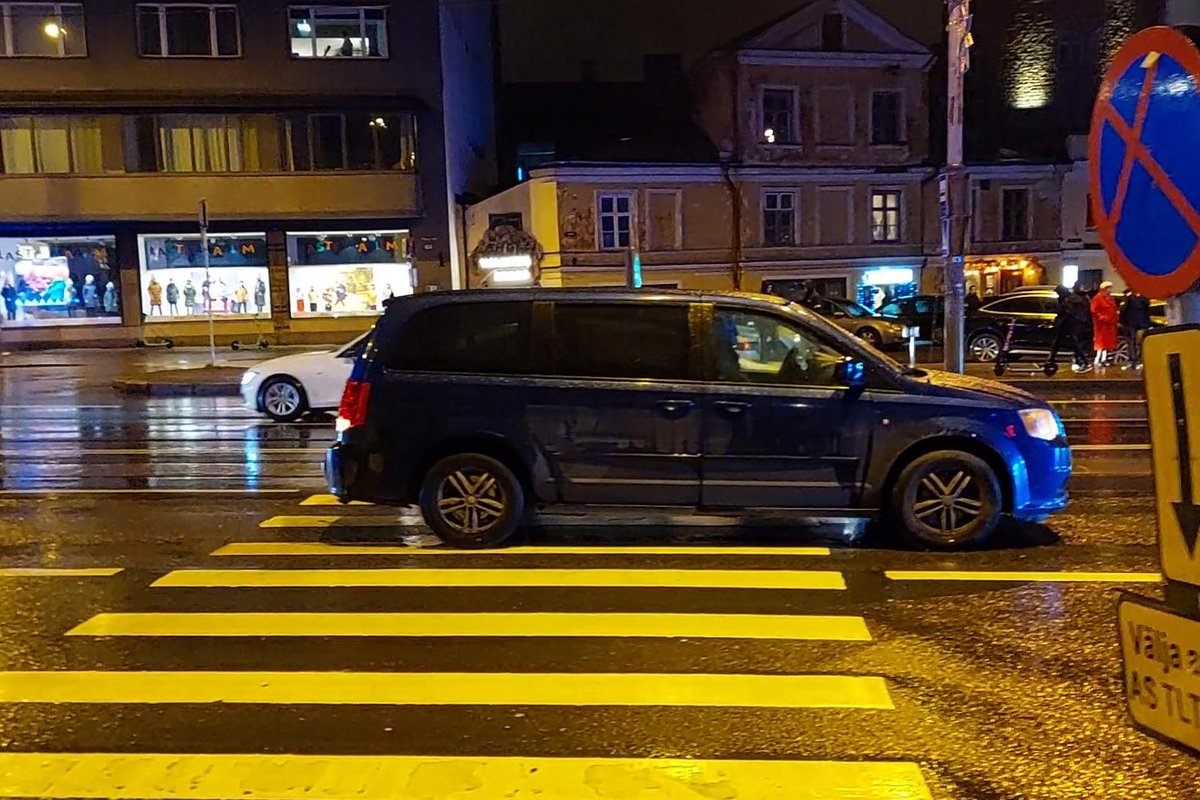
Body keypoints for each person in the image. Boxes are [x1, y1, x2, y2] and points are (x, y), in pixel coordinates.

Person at [1047, 285, 1090, 372]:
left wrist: (1058, 319)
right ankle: (1051, 359)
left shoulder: (1068, 300)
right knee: (1059, 343)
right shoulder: (1071, 298)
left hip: (1067, 325)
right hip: (1069, 325)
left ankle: (1085, 361)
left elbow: (1066, 312)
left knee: (1072, 344)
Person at [1091, 281, 1119, 370]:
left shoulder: (1110, 298)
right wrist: (1102, 318)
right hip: (1102, 325)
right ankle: (1098, 359)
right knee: (1101, 343)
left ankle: (1103, 359)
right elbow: (1094, 311)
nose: (1110, 290)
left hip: (1110, 324)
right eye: (1108, 288)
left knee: (1106, 343)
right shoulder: (1098, 298)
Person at [1121, 288, 1152, 370]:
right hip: (1137, 325)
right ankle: (1135, 361)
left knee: (1134, 343)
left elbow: (1122, 310)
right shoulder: (1140, 297)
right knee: (1135, 343)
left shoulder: (1131, 297)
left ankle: (1135, 361)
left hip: (1134, 325)